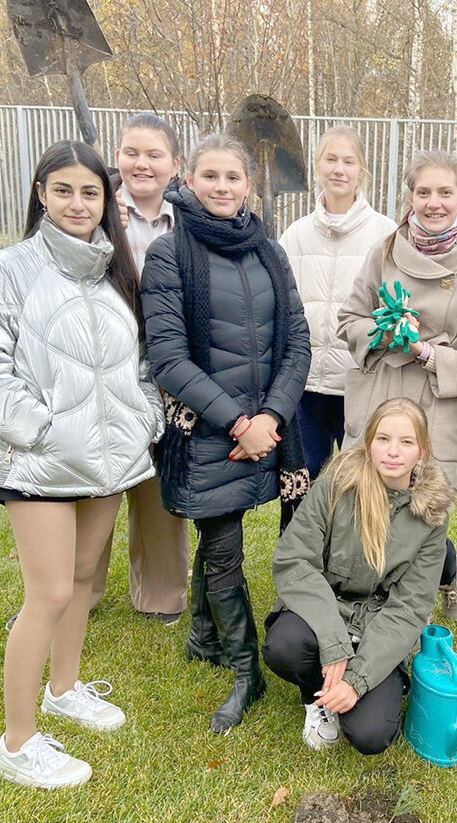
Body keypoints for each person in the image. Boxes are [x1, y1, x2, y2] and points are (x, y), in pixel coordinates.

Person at [0, 140, 163, 789]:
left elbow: (143, 366)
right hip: (38, 465)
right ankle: (17, 744)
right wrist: (41, 432)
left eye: (90, 192)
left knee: (79, 578)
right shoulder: (6, 271)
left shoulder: (114, 275)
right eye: (63, 190)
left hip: (107, 465)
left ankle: (63, 690)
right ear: (41, 192)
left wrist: (143, 418)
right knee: (45, 593)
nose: (77, 203)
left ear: (107, 201)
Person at [140, 133, 311, 734]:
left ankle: (203, 636)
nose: (221, 187)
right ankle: (247, 672)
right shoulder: (168, 253)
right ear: (188, 181)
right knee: (221, 551)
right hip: (211, 429)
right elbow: (168, 357)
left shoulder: (269, 251)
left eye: (232, 177)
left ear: (248, 184)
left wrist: (271, 419)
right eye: (209, 176)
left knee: (226, 544)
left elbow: (297, 344)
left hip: (271, 427)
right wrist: (238, 422)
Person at [337, 150, 457, 621]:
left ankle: (431, 591)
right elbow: (348, 318)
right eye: (422, 192)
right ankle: (367, 609)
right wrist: (385, 332)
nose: (433, 203)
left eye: (444, 192)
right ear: (409, 199)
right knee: (368, 508)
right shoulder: (385, 252)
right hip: (380, 399)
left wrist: (426, 351)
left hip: (436, 410)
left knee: (420, 521)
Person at [263, 398, 454, 754]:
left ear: (422, 451)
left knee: (371, 735)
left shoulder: (432, 514)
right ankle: (316, 698)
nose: (393, 451)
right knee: (284, 646)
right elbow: (294, 560)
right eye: (383, 439)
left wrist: (357, 680)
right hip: (326, 608)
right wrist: (334, 644)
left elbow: (409, 608)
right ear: (368, 442)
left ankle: (347, 689)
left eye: (406, 442)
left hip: (377, 624)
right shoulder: (338, 481)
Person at [85, 112, 191, 624]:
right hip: (101, 366)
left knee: (158, 480)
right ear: (117, 157)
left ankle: (162, 593)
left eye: (154, 155)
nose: (141, 163)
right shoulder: (92, 210)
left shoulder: (190, 220)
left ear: (176, 165)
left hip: (167, 366)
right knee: (94, 479)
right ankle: (78, 590)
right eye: (131, 152)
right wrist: (101, 235)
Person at [278, 125, 396, 483]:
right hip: (306, 384)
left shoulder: (385, 235)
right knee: (301, 482)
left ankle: (350, 542)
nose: (339, 169)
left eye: (348, 161)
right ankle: (298, 540)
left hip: (359, 382)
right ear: (317, 166)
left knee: (355, 483)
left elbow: (394, 308)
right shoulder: (295, 234)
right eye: (331, 159)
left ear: (362, 170)